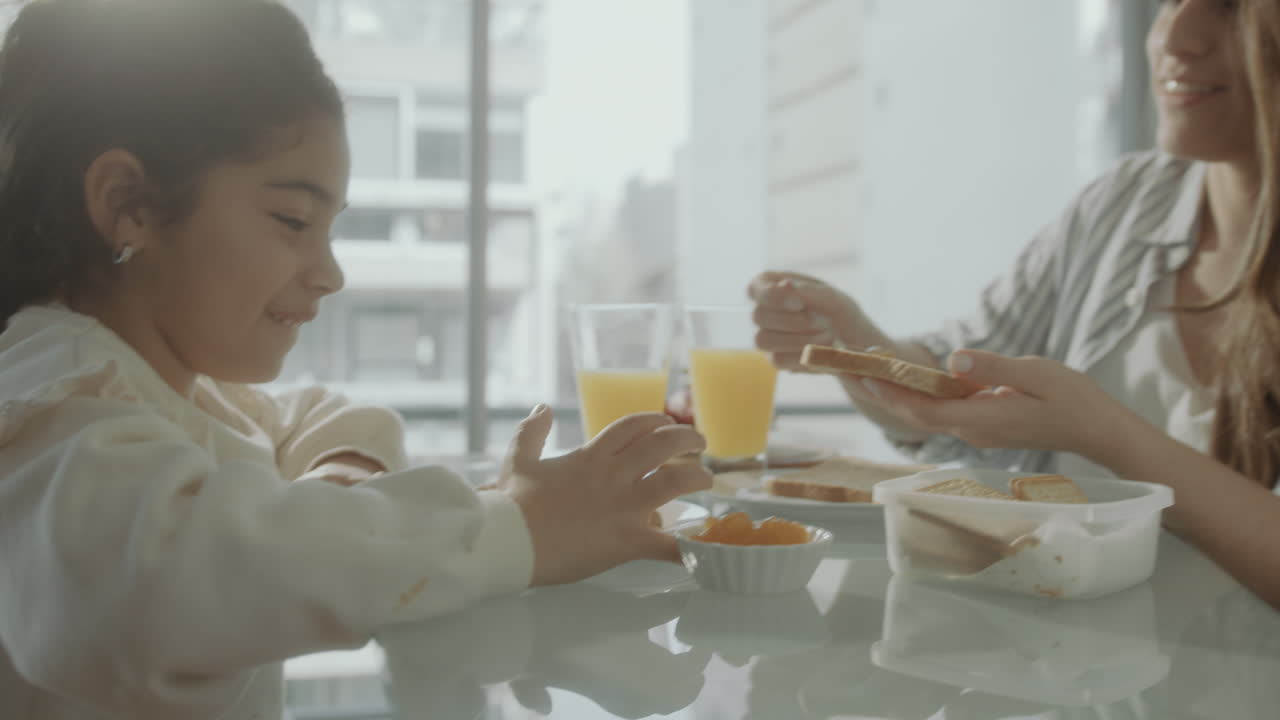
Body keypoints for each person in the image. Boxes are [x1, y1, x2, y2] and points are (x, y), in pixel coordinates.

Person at [0, 1, 711, 718]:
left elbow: (326, 415)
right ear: (129, 204)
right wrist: (516, 528)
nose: (330, 273)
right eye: (292, 221)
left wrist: (340, 482)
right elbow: (179, 577)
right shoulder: (50, 401)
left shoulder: (187, 389)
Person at [749, 0, 1280, 609]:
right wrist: (865, 348)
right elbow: (963, 382)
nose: (1177, 37)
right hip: (1070, 682)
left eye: (1233, 8)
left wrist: (1106, 434)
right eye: (1172, 1)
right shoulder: (1127, 202)